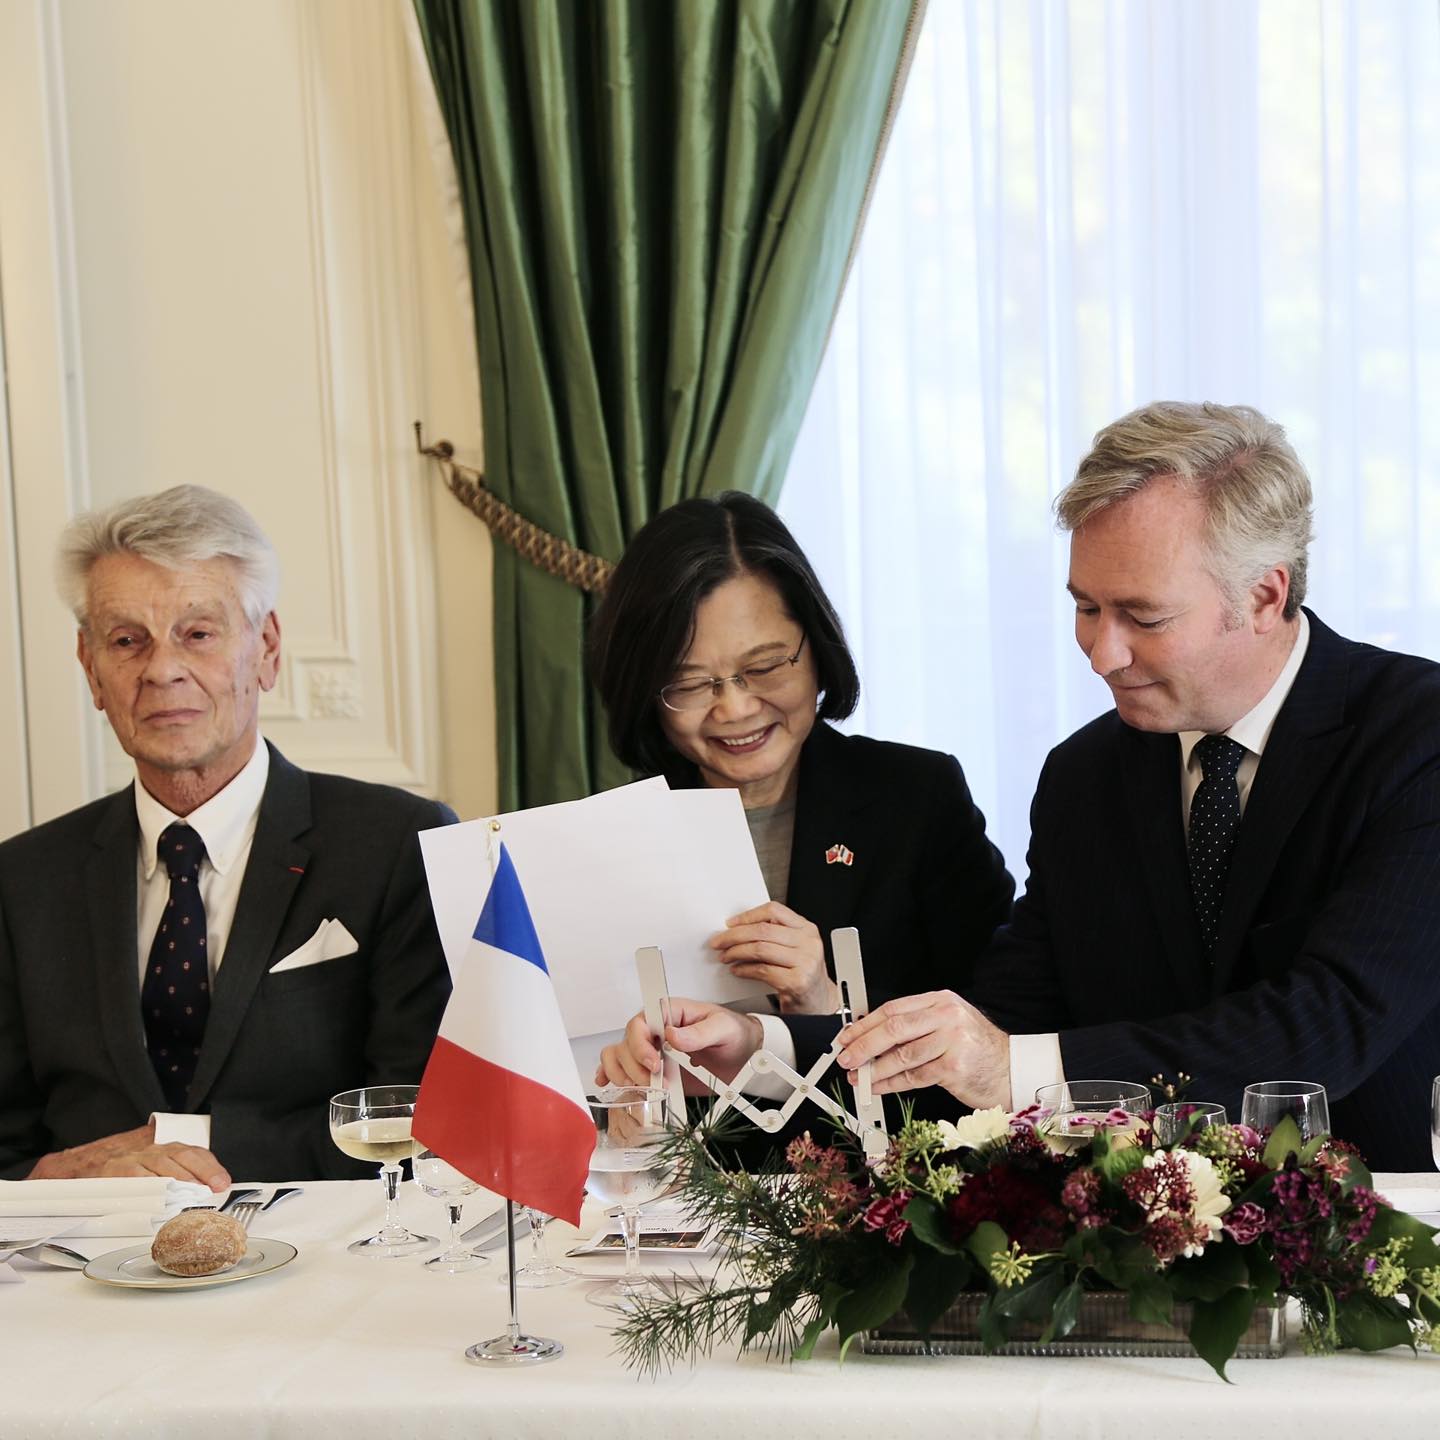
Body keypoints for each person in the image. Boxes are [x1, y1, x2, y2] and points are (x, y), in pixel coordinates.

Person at [635, 403, 1440, 1173]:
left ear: (1265, 595)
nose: (1102, 653)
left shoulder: (1416, 738)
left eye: (1141, 616)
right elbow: (995, 1023)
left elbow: (1326, 1026)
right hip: (1126, 1254)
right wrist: (763, 1047)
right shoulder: (1084, 776)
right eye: (1086, 607)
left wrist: (1007, 1067)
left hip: (1376, 1239)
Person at [0, 485, 453, 1185]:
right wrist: (61, 1177)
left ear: (266, 650)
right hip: (77, 1268)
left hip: (332, 1264)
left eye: (198, 633)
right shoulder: (20, 881)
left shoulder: (399, 844)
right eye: (127, 641)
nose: (161, 668)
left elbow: (422, 1116)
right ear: (92, 670)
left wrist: (174, 1152)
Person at [588, 492, 1013, 1097]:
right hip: (681, 1184)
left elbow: (1000, 1041)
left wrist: (822, 1000)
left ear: (817, 647)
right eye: (688, 683)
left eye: (763, 668)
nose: (735, 708)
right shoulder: (609, 837)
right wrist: (623, 1081)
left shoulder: (918, 800)